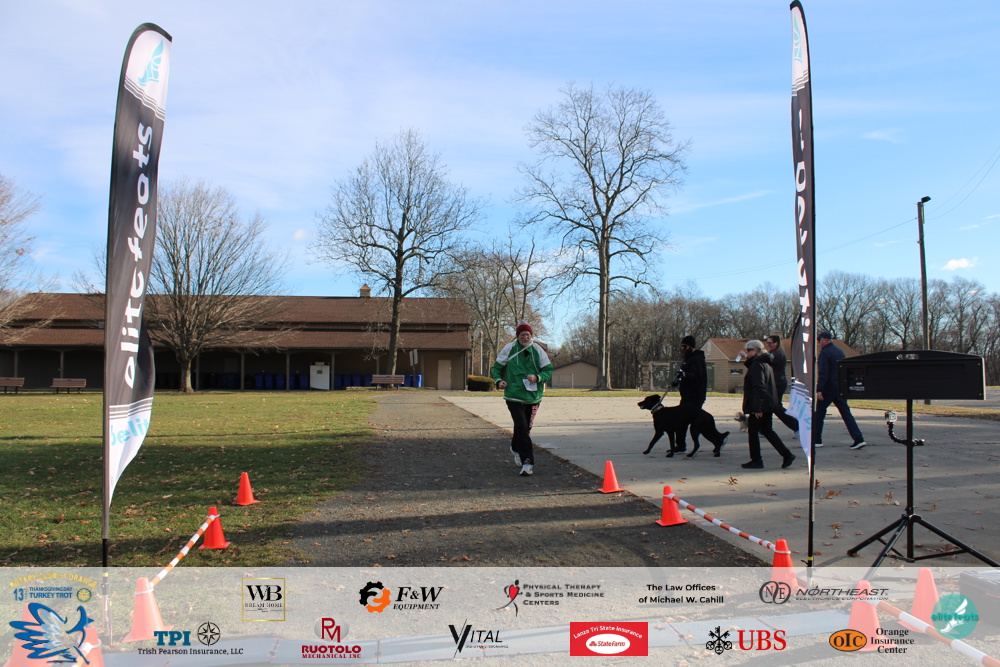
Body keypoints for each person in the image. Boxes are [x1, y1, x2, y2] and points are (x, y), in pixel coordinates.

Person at [491, 322, 554, 476]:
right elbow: (497, 368)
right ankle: (528, 463)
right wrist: (499, 381)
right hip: (514, 395)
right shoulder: (509, 348)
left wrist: (538, 377)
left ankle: (515, 447)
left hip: (533, 397)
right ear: (517, 336)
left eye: (527, 335)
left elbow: (547, 370)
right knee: (521, 426)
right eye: (522, 335)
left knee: (525, 428)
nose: (525, 337)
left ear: (531, 336)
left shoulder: (537, 350)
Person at [740, 339, 796, 469]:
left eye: (749, 350)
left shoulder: (757, 365)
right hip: (768, 403)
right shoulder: (765, 363)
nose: (748, 353)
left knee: (753, 432)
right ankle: (786, 454)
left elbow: (759, 387)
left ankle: (756, 460)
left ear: (756, 351)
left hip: (761, 405)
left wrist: (757, 408)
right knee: (767, 430)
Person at [814, 331, 867, 449]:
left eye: (819, 340)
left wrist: (819, 389)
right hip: (840, 387)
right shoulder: (839, 351)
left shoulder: (825, 353)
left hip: (828, 388)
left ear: (825, 340)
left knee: (819, 413)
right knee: (846, 413)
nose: (819, 343)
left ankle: (817, 440)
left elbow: (823, 373)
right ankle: (858, 438)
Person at [672, 335, 707, 452]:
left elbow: (698, 376)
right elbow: (684, 374)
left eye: (685, 346)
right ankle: (681, 445)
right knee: (681, 421)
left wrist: (685, 375)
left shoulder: (698, 359)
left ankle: (717, 439)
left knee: (691, 422)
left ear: (691, 346)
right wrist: (677, 380)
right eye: (682, 346)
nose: (682, 348)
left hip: (695, 396)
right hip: (686, 396)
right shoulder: (688, 359)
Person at [764, 334, 799, 436]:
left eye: (769, 343)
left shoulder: (778, 354)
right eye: (767, 342)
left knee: (776, 406)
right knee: (767, 405)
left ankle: (796, 426)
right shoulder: (772, 353)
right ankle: (765, 429)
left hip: (778, 383)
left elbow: (766, 359)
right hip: (773, 383)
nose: (768, 345)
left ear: (776, 343)